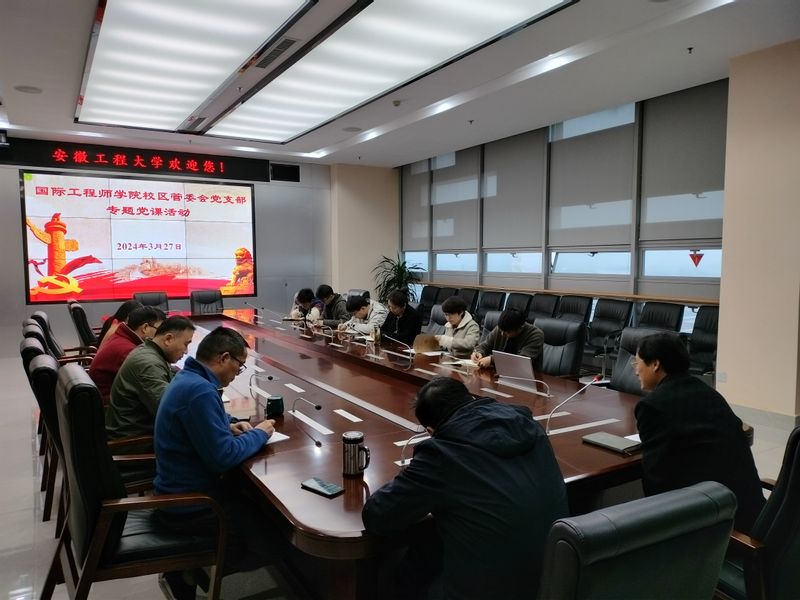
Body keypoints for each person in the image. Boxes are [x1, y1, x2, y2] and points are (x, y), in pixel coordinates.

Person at [362, 377, 568, 600]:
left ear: (431, 431)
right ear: (470, 398)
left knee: (403, 570)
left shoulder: (442, 453)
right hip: (554, 582)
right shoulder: (528, 425)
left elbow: (377, 515)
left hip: (489, 591)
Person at [154, 326, 279, 600]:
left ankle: (188, 572)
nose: (238, 373)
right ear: (223, 358)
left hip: (176, 494)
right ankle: (194, 572)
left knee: (255, 506)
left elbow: (203, 427)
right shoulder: (199, 391)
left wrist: (228, 425)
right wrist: (260, 434)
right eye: (239, 366)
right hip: (192, 508)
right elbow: (223, 457)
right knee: (275, 533)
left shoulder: (188, 378)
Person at [633, 332, 765, 533]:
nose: (635, 370)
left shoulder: (652, 406)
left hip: (716, 524)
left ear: (655, 365)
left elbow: (656, 481)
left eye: (637, 363)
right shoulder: (709, 392)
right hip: (752, 512)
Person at [105, 316, 195, 439]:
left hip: (139, 431)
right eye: (186, 344)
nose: (186, 351)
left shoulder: (149, 351)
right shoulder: (148, 364)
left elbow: (176, 376)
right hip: (134, 441)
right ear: (168, 339)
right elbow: (172, 413)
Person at [88, 306, 165, 405]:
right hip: (109, 406)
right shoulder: (130, 351)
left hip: (107, 399)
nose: (162, 335)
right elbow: (151, 386)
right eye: (160, 330)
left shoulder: (122, 337)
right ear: (145, 328)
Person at [471, 308, 543, 368]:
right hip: (499, 372)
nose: (502, 334)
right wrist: (478, 352)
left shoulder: (535, 335)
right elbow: (485, 345)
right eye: (501, 330)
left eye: (507, 332)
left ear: (520, 328)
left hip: (525, 376)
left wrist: (492, 359)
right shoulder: (502, 328)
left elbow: (521, 361)